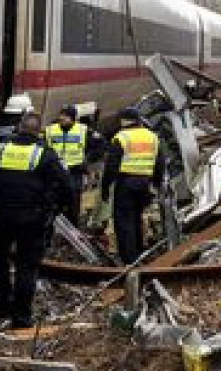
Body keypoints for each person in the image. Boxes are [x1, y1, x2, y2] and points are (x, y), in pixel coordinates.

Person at [0, 111, 72, 329]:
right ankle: (21, 316)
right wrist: (58, 207)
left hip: (1, 215)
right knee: (26, 265)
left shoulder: (0, 149)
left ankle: (0, 306)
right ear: (39, 131)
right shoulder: (46, 155)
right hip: (32, 218)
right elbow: (66, 185)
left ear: (19, 128)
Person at [103, 107, 162, 264]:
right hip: (144, 183)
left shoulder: (121, 137)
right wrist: (156, 184)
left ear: (124, 120)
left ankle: (129, 259)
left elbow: (111, 167)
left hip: (126, 183)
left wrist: (105, 188)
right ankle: (138, 252)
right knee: (137, 218)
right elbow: (159, 163)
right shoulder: (152, 137)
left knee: (124, 221)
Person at [44, 105, 97, 223]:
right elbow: (43, 148)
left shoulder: (83, 130)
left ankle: (72, 229)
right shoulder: (50, 130)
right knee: (53, 203)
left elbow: (100, 146)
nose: (62, 118)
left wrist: (87, 161)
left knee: (73, 204)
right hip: (56, 173)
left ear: (73, 118)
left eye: (66, 116)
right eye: (61, 115)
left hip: (74, 172)